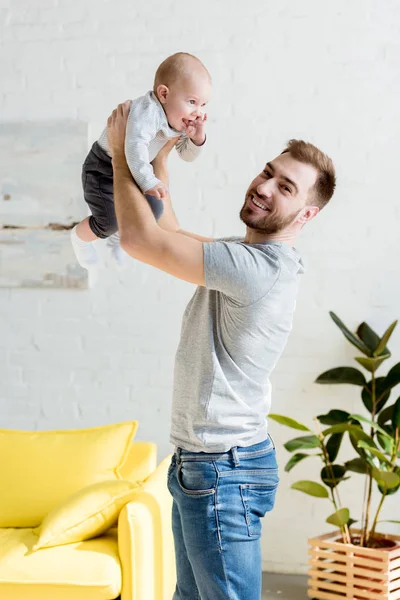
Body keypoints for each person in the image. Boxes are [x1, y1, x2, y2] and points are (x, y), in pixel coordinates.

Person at [106, 101, 336, 600]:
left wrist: (120, 153)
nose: (264, 186)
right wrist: (161, 153)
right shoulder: (250, 256)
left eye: (286, 187)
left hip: (220, 472)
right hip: (208, 465)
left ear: (308, 213)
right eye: (268, 172)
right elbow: (167, 232)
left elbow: (139, 239)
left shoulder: (254, 269)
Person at [70, 52, 211, 270]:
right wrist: (148, 182)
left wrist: (197, 137)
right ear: (164, 94)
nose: (198, 112)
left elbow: (186, 155)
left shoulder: (178, 120)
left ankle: (116, 238)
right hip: (103, 168)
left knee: (153, 211)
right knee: (108, 221)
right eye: (192, 101)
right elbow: (134, 147)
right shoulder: (148, 112)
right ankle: (79, 238)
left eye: (203, 104)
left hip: (134, 170)